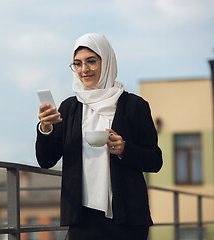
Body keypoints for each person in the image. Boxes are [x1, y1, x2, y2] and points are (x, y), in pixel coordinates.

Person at [35, 33, 163, 240]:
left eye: (91, 61)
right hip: (82, 217)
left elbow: (155, 160)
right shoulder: (69, 108)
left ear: (107, 61)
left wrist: (125, 149)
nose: (84, 70)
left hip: (127, 218)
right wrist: (46, 128)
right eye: (77, 64)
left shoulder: (134, 106)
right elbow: (46, 160)